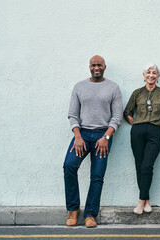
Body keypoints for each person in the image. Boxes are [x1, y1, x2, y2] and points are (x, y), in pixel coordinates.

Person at [63, 55, 123, 228]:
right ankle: (73, 210)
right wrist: (77, 136)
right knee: (69, 166)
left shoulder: (113, 88)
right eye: (93, 65)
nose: (96, 67)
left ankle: (90, 214)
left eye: (99, 65)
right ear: (89, 67)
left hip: (102, 136)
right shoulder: (79, 87)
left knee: (97, 176)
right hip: (81, 135)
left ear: (105, 67)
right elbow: (73, 115)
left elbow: (117, 116)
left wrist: (106, 137)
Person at [123, 63, 160, 215]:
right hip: (137, 131)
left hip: (155, 131)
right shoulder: (137, 93)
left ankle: (140, 202)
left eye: (154, 73)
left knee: (147, 165)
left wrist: (157, 127)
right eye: (148, 72)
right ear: (144, 75)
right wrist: (137, 124)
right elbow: (127, 112)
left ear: (158, 77)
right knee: (139, 166)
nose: (151, 75)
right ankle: (147, 200)